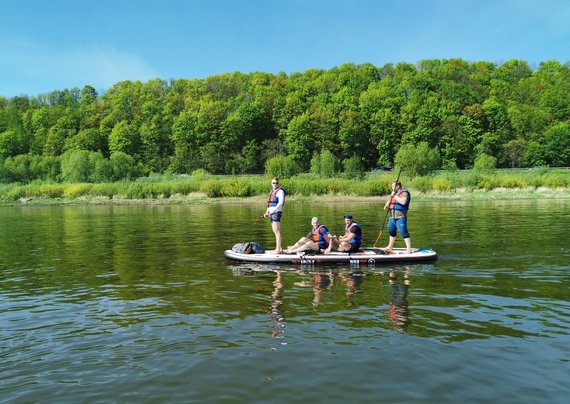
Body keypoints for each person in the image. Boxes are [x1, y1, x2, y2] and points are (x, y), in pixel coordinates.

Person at [383, 180, 412, 253]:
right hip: (392, 216)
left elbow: (403, 202)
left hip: (400, 217)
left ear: (398, 186)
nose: (392, 188)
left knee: (403, 232)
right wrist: (387, 204)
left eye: (393, 186)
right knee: (391, 231)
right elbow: (390, 200)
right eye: (392, 186)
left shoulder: (405, 193)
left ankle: (408, 249)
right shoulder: (394, 194)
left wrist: (394, 196)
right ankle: (390, 246)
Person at [263, 177, 285, 254]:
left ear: (278, 183)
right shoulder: (272, 191)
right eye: (273, 183)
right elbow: (269, 205)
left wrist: (272, 212)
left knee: (277, 231)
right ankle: (280, 248)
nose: (275, 184)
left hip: (276, 213)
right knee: (275, 230)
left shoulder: (280, 191)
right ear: (271, 183)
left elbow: (280, 203)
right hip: (272, 213)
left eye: (276, 183)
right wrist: (267, 212)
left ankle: (277, 249)